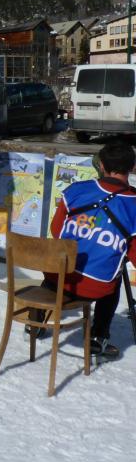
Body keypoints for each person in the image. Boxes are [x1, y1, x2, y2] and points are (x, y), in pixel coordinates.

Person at [47, 140, 136, 359]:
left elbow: (57, 232)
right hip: (97, 288)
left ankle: (36, 319)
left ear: (102, 166)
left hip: (58, 278)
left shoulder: (76, 190)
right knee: (113, 275)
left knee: (60, 261)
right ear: (132, 168)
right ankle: (98, 337)